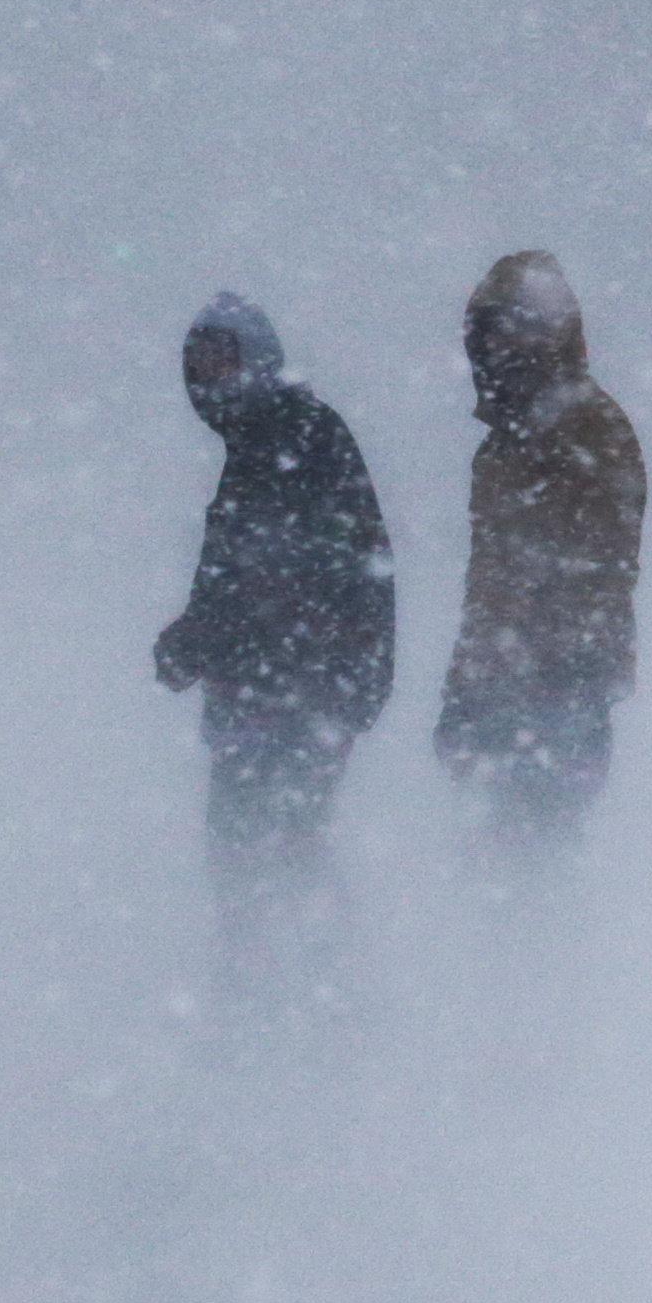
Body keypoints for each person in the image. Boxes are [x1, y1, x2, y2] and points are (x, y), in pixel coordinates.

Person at [152, 294, 395, 912]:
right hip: (266, 694)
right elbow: (241, 579)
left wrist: (206, 638)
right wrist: (197, 633)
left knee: (273, 851)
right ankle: (285, 986)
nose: (209, 378)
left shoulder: (298, 439)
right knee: (257, 853)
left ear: (255, 361)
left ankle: (312, 989)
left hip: (296, 692)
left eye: (221, 361)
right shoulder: (257, 444)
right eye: (198, 365)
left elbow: (298, 577)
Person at [435, 250, 645, 853]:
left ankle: (542, 943)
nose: (501, 347)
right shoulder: (512, 437)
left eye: (518, 328)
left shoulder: (582, 427)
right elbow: (493, 579)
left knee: (531, 855)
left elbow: (591, 568)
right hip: (520, 688)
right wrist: (469, 686)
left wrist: (517, 675)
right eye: (492, 332)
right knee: (507, 857)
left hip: (557, 688)